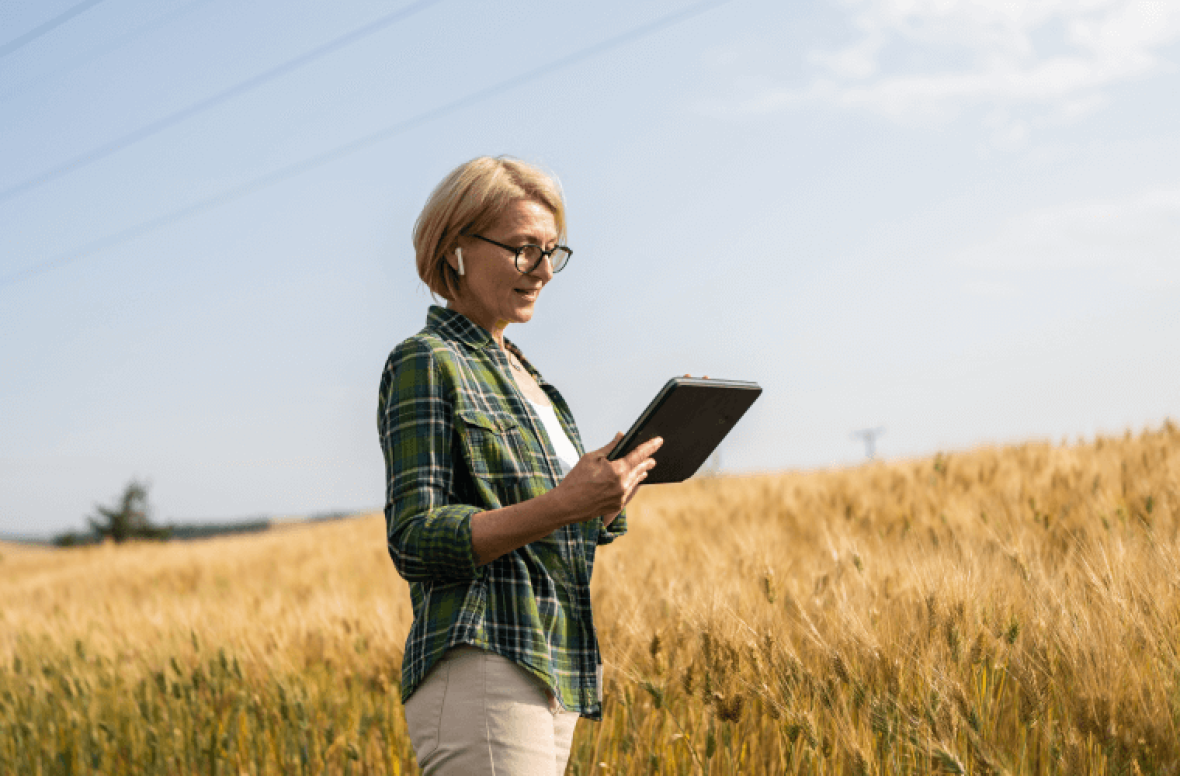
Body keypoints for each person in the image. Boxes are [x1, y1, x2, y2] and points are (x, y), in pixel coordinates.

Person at [377, 156, 662, 775]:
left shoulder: (535, 383)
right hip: (483, 659)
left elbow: (561, 524)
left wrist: (607, 495)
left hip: (555, 664)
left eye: (552, 252)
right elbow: (415, 539)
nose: (542, 271)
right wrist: (564, 503)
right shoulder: (427, 361)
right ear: (456, 248)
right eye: (522, 249)